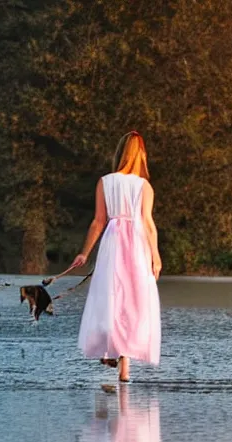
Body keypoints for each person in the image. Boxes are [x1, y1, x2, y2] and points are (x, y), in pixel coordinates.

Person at [72, 131, 162, 382]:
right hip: (135, 243)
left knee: (111, 296)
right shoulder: (144, 186)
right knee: (132, 300)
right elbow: (147, 222)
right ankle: (124, 366)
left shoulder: (104, 182)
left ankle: (112, 352)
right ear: (141, 155)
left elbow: (98, 222)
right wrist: (155, 255)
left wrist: (85, 252)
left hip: (113, 241)